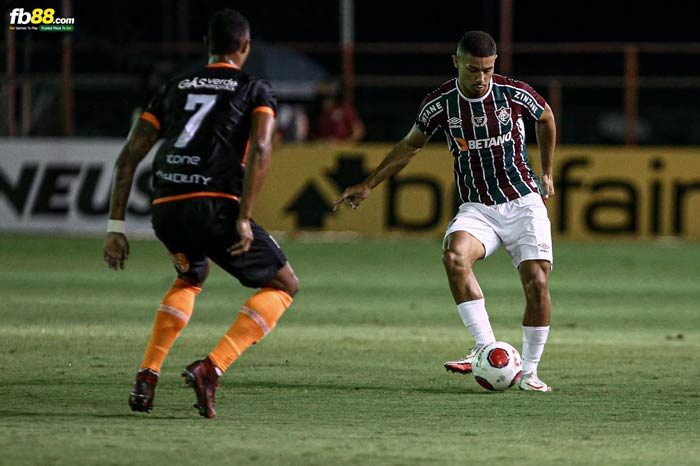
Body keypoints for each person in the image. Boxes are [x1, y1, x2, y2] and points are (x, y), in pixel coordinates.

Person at [103, 9, 299, 418]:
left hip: (167, 208)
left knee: (191, 275)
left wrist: (115, 227)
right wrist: (243, 217)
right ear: (245, 47)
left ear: (206, 46)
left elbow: (128, 158)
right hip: (215, 206)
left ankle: (146, 377)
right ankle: (211, 368)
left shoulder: (173, 86)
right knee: (283, 284)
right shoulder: (254, 87)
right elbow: (262, 148)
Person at [334, 31, 556, 392]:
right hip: (478, 208)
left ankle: (529, 372)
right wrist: (369, 183)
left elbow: (545, 116)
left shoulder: (513, 94)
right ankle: (484, 347)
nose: (480, 77)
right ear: (456, 62)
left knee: (538, 281)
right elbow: (409, 147)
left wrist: (547, 170)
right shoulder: (439, 105)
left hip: (523, 201)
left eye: (487, 69)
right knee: (454, 256)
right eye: (473, 69)